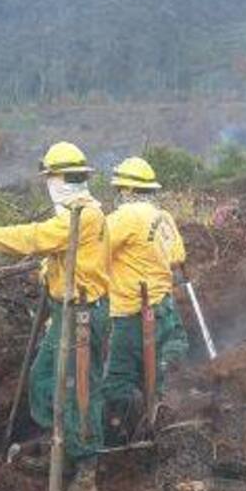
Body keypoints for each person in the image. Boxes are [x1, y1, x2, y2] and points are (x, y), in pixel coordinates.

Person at [0, 142, 110, 491]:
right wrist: (51, 270)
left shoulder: (82, 214)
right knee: (45, 378)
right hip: (67, 310)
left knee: (80, 389)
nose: (52, 184)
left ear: (61, 179)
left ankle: (86, 469)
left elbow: (31, 237)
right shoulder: (76, 214)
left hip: (83, 313)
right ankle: (62, 446)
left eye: (54, 177)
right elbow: (59, 251)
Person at [102, 156, 190, 440]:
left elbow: (93, 250)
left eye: (119, 190)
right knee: (160, 365)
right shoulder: (163, 216)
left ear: (126, 190)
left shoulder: (125, 216)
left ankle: (119, 438)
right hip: (163, 306)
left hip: (131, 313)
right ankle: (157, 415)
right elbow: (177, 256)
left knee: (118, 381)